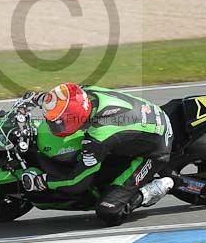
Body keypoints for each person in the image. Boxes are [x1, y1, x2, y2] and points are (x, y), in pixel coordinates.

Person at [21, 83, 174, 226]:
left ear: (73, 116)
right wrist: (37, 98)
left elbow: (77, 182)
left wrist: (43, 182)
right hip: (151, 116)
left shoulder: (98, 137)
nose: (53, 125)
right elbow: (63, 99)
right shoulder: (84, 93)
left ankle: (150, 191)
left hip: (155, 150)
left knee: (108, 210)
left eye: (59, 121)